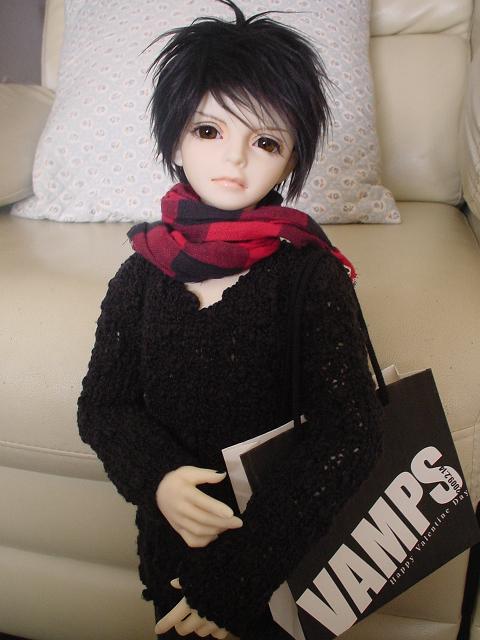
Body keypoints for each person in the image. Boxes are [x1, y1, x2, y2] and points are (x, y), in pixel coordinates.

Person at [77, 1, 384, 638]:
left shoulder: (309, 276)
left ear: (291, 158)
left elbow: (349, 433)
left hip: (279, 570)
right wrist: (158, 479)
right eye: (209, 130)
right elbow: (104, 405)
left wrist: (242, 575)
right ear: (175, 137)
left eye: (265, 142)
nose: (236, 161)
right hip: (171, 557)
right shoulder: (141, 273)